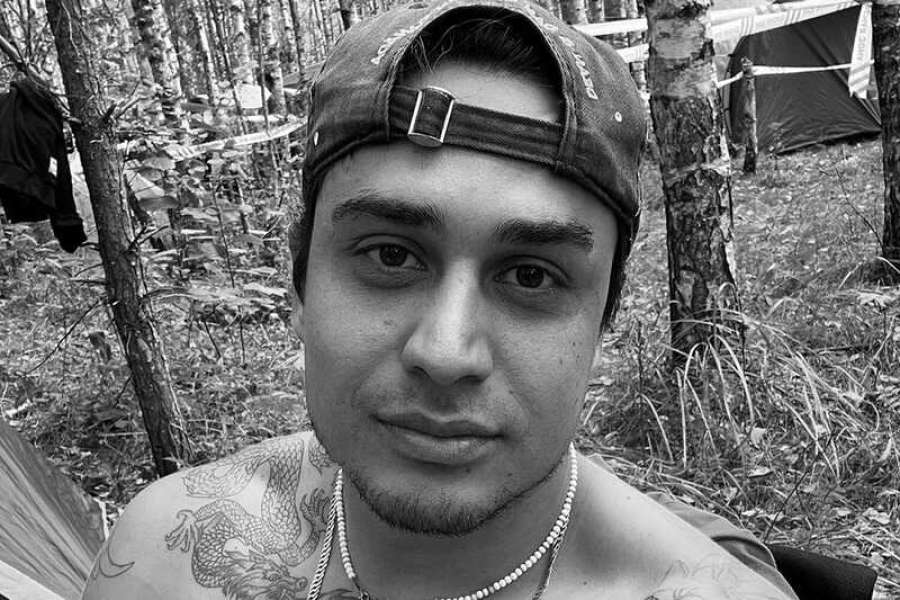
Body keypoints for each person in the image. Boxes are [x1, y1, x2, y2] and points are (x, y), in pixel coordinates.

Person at [81, 1, 800, 599]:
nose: (446, 353)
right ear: (300, 282)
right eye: (391, 256)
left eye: (531, 276)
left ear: (604, 318)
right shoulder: (166, 558)